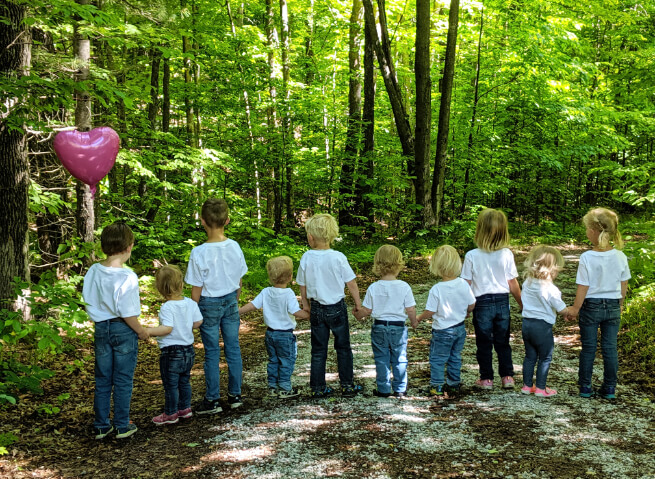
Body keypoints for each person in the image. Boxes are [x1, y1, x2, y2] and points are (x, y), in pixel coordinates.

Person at [83, 222, 148, 440]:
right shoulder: (127, 276)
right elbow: (127, 312)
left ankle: (101, 425)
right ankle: (122, 424)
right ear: (129, 247)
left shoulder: (93, 271)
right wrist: (141, 331)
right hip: (123, 329)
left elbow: (89, 300)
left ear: (103, 247)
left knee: (102, 378)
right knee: (122, 379)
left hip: (101, 328)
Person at [185, 198, 248, 413]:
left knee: (212, 352)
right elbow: (240, 278)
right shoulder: (234, 246)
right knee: (233, 348)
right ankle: (235, 394)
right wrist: (236, 298)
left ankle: (212, 400)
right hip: (230, 300)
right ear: (227, 220)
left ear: (202, 221)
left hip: (207, 304)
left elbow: (196, 288)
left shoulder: (198, 253)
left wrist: (192, 314)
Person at [297, 213, 363, 398]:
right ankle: (347, 385)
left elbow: (302, 284)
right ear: (332, 235)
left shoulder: (307, 257)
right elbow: (351, 283)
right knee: (343, 347)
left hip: (317, 308)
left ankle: (318, 388)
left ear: (311, 237)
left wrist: (306, 305)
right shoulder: (338, 257)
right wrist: (358, 304)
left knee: (318, 350)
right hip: (337, 307)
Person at [567, 208, 630, 399]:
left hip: (591, 306)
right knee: (610, 348)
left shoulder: (587, 257)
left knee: (589, 347)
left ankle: (585, 387)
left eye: (587, 228)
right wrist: (619, 304)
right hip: (612, 306)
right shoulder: (620, 256)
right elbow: (623, 284)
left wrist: (575, 308)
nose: (586, 232)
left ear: (595, 230)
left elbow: (583, 287)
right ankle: (609, 388)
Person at [461, 208, 522, 390]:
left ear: (480, 230)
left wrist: (464, 307)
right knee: (503, 341)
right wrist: (522, 303)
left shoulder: (472, 255)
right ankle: (507, 377)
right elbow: (513, 283)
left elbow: (466, 284)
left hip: (482, 303)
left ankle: (486, 378)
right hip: (502, 302)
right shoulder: (506, 254)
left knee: (484, 342)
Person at [239, 256, 309, 399]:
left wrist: (237, 311)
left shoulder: (266, 292)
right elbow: (295, 311)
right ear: (290, 277)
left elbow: (253, 305)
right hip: (285, 335)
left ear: (270, 277)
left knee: (273, 360)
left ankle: (272, 386)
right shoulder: (288, 293)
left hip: (270, 334)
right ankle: (284, 388)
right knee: (287, 360)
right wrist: (308, 315)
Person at [354, 245, 417, 398]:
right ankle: (400, 388)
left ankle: (383, 389)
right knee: (400, 358)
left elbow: (367, 311)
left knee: (381, 359)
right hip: (398, 328)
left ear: (378, 264)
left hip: (380, 327)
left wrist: (357, 314)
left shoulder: (374, 288)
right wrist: (414, 321)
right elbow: (410, 309)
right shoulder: (404, 287)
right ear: (399, 264)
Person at [147, 265, 203, 424]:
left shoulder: (167, 307)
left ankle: (171, 413)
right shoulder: (191, 303)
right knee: (184, 381)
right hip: (188, 350)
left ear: (160, 288)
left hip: (171, 352)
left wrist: (149, 331)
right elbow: (198, 322)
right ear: (181, 284)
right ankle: (184, 408)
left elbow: (167, 328)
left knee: (171, 385)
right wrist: (185, 325)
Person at [417, 245, 475, 396]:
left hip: (442, 330)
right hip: (459, 328)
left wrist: (419, 317)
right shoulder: (463, 283)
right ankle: (454, 383)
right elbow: (472, 303)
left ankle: (437, 385)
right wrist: (467, 312)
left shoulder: (437, 289)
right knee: (454, 356)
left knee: (437, 358)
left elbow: (430, 311)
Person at [520, 246, 569, 398]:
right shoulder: (551, 289)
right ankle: (541, 388)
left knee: (530, 356)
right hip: (542, 327)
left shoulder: (527, 283)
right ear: (552, 270)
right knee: (545, 357)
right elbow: (561, 308)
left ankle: (527, 386)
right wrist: (570, 312)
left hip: (527, 324)